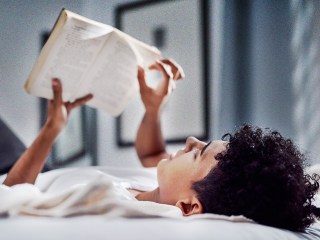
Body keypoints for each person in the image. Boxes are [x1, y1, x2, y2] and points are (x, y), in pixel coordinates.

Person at [2, 59, 320, 232]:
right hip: (48, 172)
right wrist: (153, 111)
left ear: (189, 207)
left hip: (18, 171)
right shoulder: (167, 192)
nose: (192, 140)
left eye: (198, 152)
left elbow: (11, 192)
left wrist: (50, 131)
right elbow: (151, 153)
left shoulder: (107, 203)